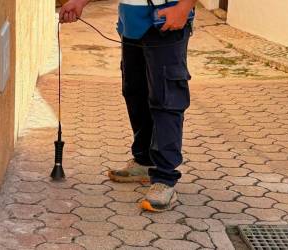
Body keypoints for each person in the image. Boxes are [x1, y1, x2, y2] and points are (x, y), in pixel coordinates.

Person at [60, 0, 197, 212]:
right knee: (135, 92)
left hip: (166, 18)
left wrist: (184, 7)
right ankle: (144, 161)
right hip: (132, 23)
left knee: (166, 99)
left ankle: (165, 178)